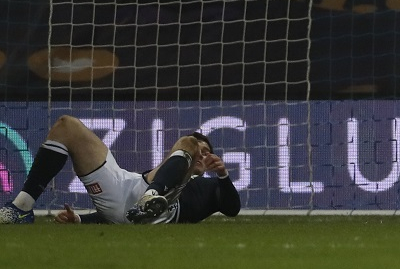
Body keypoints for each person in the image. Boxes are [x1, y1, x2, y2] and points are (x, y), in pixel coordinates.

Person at [0, 115, 241, 224]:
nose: (202, 154)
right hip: (126, 188)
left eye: (207, 153)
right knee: (67, 126)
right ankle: (21, 209)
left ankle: (151, 197)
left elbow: (232, 208)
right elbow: (121, 213)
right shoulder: (168, 169)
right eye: (199, 150)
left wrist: (223, 175)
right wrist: (80, 220)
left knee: (188, 142)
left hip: (153, 204)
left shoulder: (207, 188)